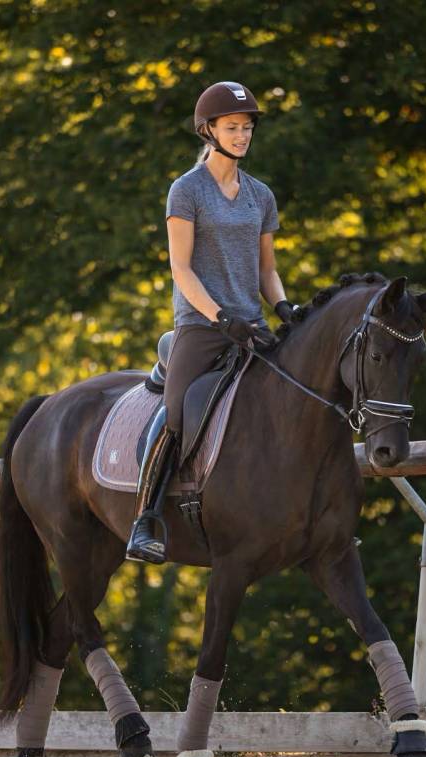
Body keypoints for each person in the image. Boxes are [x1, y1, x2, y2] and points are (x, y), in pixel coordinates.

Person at [125, 81, 303, 563]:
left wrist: (284, 308)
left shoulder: (260, 195)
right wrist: (220, 317)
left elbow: (266, 269)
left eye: (247, 128)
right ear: (209, 130)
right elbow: (180, 267)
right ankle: (145, 520)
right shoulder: (187, 191)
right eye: (232, 128)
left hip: (251, 326)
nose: (242, 136)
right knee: (179, 414)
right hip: (202, 327)